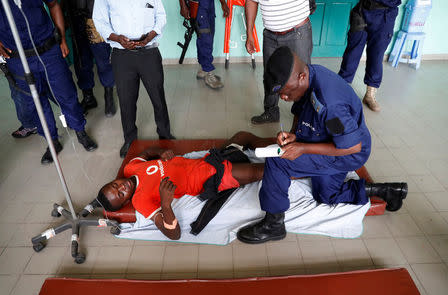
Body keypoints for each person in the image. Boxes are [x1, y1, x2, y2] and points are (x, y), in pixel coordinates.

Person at [237, 47, 408, 244]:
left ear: (301, 77)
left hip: (346, 152)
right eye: (281, 95)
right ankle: (386, 191)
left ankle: (274, 224)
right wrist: (294, 135)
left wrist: (302, 148)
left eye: (286, 92)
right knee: (326, 195)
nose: (284, 98)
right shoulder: (310, 75)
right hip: (325, 138)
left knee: (278, 162)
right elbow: (300, 110)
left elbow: (352, 147)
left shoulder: (330, 103)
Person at [96, 142, 265, 240]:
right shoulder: (140, 201)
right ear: (126, 201)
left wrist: (161, 152)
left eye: (115, 185)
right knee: (264, 171)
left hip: (208, 159)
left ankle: (284, 149)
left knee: (243, 137)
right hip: (212, 175)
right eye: (120, 194)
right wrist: (166, 204)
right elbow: (173, 234)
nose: (122, 187)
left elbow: (147, 152)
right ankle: (290, 166)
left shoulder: (130, 168)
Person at [0, 0, 98, 165]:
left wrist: (62, 40)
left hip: (49, 50)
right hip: (18, 58)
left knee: (66, 93)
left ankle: (80, 131)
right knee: (35, 102)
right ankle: (52, 141)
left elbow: (54, 5)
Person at [93, 0, 175, 158]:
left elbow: (161, 16)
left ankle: (165, 135)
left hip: (149, 51)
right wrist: (117, 38)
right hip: (121, 55)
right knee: (126, 100)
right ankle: (130, 140)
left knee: (158, 97)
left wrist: (150, 36)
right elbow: (100, 21)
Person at [246, 0, 313, 124]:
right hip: (270, 35)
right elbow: (251, 1)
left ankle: (304, 120)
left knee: (302, 78)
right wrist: (249, 33)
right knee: (270, 77)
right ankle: (271, 112)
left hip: (297, 33)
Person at [338, 0, 401, 112]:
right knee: (352, 53)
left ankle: (369, 95)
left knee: (376, 56)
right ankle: (341, 88)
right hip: (363, 10)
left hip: (385, 15)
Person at [61, 0, 116, 117]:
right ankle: (88, 97)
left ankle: (109, 96)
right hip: (75, 16)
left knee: (103, 60)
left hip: (96, 16)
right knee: (81, 61)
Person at [179, 0, 229, 89]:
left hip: (209, 3)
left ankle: (203, 68)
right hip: (198, 5)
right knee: (205, 37)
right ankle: (208, 71)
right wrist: (183, 5)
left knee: (209, 34)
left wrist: (223, 3)